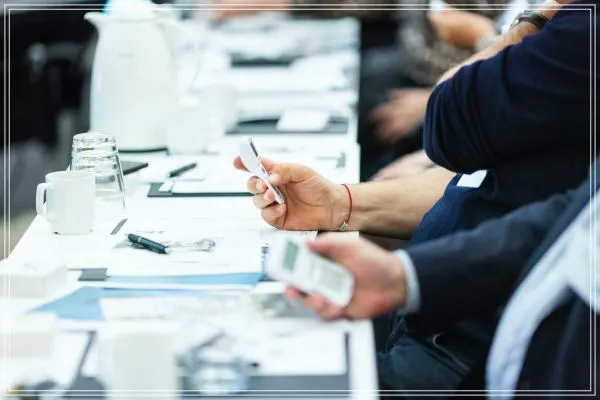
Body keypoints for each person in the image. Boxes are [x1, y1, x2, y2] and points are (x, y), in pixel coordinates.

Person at [234, 0, 597, 391]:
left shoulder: (582, 27)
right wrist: (340, 204)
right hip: (438, 309)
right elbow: (517, 188)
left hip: (471, 344)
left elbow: (451, 118)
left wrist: (530, 22)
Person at [286, 158, 599, 395]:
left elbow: (454, 121)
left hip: (470, 350)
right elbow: (563, 222)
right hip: (462, 333)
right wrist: (403, 275)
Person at [214, 0, 505, 179]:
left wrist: (439, 95)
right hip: (412, 65)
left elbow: (516, 62)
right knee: (320, 102)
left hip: (458, 87)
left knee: (354, 140)